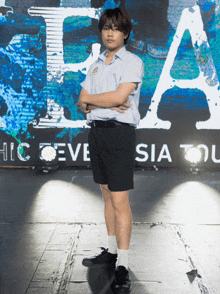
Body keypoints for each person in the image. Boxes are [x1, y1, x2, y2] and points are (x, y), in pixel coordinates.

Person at [77, 7, 144, 294]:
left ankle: (123, 266)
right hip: (98, 134)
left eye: (116, 28)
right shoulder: (95, 63)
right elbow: (82, 102)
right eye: (106, 27)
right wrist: (96, 103)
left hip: (119, 134)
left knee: (120, 201)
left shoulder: (132, 62)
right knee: (106, 196)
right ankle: (112, 249)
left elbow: (120, 96)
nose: (109, 32)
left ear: (125, 33)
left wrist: (98, 101)